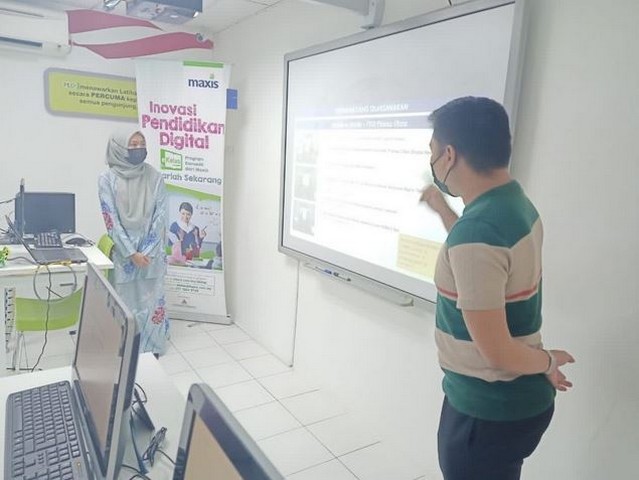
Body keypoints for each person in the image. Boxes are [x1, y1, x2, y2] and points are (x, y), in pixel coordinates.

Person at [420, 97, 575, 480]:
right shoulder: (514, 204)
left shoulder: (478, 231)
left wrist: (547, 362)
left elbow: (497, 352)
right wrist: (444, 210)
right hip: (512, 403)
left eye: (432, 152)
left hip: (486, 410)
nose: (432, 161)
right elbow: (477, 265)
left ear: (449, 155)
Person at [99, 129, 169, 356]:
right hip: (124, 254)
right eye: (133, 144)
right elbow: (111, 220)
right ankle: (128, 348)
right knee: (126, 303)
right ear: (119, 148)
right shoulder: (107, 179)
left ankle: (153, 346)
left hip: (151, 252)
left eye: (142, 143)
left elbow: (161, 216)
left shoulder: (155, 177)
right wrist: (131, 252)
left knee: (151, 302)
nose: (139, 148)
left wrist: (146, 250)